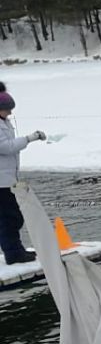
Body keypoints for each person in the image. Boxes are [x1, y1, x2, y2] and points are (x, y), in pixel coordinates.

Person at [0, 82, 47, 265]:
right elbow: (5, 147)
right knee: (10, 217)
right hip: (1, 181)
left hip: (7, 178)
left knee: (12, 217)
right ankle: (13, 253)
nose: (10, 113)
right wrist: (29, 138)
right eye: (7, 109)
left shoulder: (4, 122)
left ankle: (16, 250)